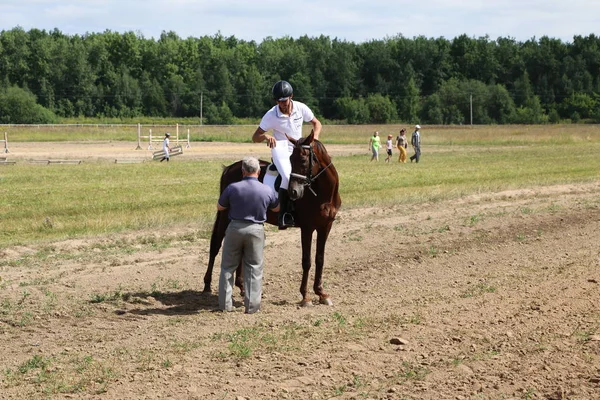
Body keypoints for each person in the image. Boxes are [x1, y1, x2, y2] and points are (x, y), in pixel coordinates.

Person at [251, 80, 322, 229]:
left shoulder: (301, 108)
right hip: (280, 148)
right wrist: (266, 137)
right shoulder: (271, 114)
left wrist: (313, 140)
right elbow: (255, 137)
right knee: (288, 175)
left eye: (284, 100)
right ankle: (284, 214)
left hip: (299, 148)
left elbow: (317, 123)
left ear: (291, 96)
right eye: (279, 101)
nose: (282, 104)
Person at [217, 156, 280, 314]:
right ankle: (252, 306)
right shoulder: (267, 190)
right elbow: (277, 209)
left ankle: (225, 305)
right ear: (259, 172)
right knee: (254, 268)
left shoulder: (232, 188)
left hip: (235, 228)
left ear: (243, 171)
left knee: (227, 267)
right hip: (256, 230)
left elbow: (220, 207)